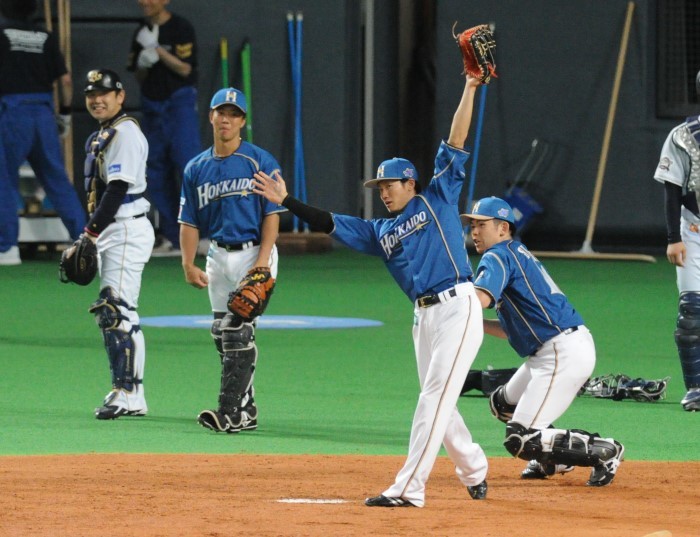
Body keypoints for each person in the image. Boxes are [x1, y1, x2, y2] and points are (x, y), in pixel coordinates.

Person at [253, 74, 489, 508]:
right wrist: (289, 202)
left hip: (459, 306)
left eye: (389, 185)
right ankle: (474, 467)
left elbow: (457, 137)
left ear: (411, 183)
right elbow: (330, 222)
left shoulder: (437, 197)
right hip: (424, 319)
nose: (382, 192)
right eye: (378, 187)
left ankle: (408, 489)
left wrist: (471, 87)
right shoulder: (380, 232)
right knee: (440, 401)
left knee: (433, 398)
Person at [463, 196, 625, 486]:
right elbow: (511, 326)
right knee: (503, 404)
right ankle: (556, 458)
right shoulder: (515, 252)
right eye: (472, 225)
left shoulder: (498, 255)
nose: (474, 232)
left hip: (561, 352)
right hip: (556, 349)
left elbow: (480, 300)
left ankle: (605, 450)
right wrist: (475, 322)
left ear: (502, 228)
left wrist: (445, 308)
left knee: (520, 438)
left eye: (481, 225)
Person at [179, 87, 286, 434]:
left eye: (234, 114)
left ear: (242, 121)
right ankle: (247, 408)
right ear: (211, 116)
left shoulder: (260, 161)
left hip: (254, 252)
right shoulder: (196, 168)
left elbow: (272, 213)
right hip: (217, 256)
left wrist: (264, 260)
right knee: (220, 334)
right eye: (220, 112)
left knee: (237, 330)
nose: (226, 119)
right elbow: (189, 221)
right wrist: (187, 262)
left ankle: (230, 413)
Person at [81, 68, 155, 419]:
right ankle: (125, 391)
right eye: (91, 93)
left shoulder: (125, 133)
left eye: (104, 93)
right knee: (114, 311)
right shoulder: (106, 132)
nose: (97, 99)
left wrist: (90, 233)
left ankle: (129, 394)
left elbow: (117, 189)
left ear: (120, 96)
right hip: (116, 228)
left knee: (119, 311)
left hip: (125, 227)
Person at [0, 0, 85, 265]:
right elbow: (66, 80)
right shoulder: (46, 36)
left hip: (12, 111)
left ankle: (7, 248)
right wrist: (66, 114)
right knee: (57, 179)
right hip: (44, 113)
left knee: (3, 180)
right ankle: (86, 243)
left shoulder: (1, 35)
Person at [127, 0, 201, 257]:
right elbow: (137, 76)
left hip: (178, 105)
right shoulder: (141, 30)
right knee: (155, 172)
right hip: (152, 107)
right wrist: (143, 64)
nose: (145, 2)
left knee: (190, 168)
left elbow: (185, 68)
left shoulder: (181, 28)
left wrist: (157, 50)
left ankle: (203, 235)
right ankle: (173, 237)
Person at [653, 70, 700, 412]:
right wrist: (673, 238)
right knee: (691, 315)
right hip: (693, 230)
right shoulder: (684, 136)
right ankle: (696, 388)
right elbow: (672, 189)